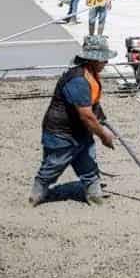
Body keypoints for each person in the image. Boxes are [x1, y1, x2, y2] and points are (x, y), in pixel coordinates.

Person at [29, 35, 116, 207]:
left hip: (81, 132)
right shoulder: (77, 80)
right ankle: (37, 193)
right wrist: (103, 135)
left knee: (89, 166)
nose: (106, 62)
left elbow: (93, 105)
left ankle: (95, 195)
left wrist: (103, 121)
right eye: (103, 59)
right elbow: (86, 115)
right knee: (53, 166)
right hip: (61, 134)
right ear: (92, 59)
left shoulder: (91, 76)